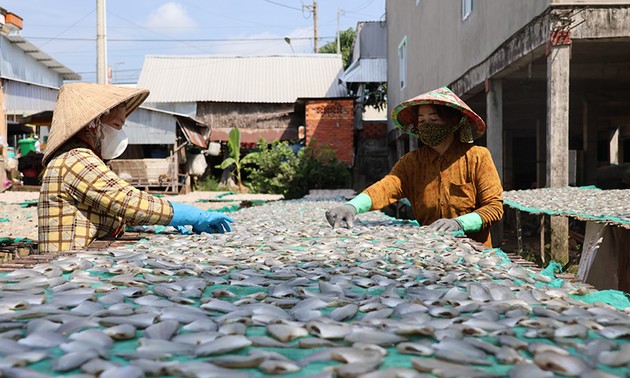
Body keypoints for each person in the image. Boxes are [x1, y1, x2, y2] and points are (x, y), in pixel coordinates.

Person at [38, 82, 234, 253]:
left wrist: (167, 222)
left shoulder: (79, 157)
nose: (119, 133)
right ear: (93, 125)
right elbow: (129, 203)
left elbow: (115, 208)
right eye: (116, 125)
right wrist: (194, 216)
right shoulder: (77, 160)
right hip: (64, 268)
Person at [325, 86, 503, 248]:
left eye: (434, 119)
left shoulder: (477, 157)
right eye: (422, 121)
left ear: (453, 122)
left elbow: (494, 207)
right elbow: (385, 188)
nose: (427, 126)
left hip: (475, 252)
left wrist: (460, 223)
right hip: (430, 250)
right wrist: (352, 207)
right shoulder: (412, 163)